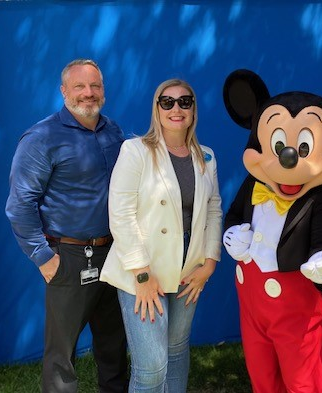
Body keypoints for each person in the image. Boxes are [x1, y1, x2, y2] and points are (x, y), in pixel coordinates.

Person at [6, 59, 128, 392]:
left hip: (114, 255)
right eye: (79, 86)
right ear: (64, 91)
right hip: (68, 257)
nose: (88, 94)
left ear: (103, 90)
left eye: (95, 86)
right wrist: (43, 258)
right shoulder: (41, 138)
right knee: (62, 357)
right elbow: (19, 205)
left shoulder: (114, 131)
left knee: (114, 345)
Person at [100, 79, 222, 393]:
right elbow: (121, 212)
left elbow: (213, 209)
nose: (176, 108)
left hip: (189, 265)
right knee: (151, 365)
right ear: (157, 109)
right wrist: (142, 273)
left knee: (177, 348)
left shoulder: (205, 156)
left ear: (194, 109)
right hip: (144, 266)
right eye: (167, 102)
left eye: (185, 101)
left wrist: (209, 263)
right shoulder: (136, 150)